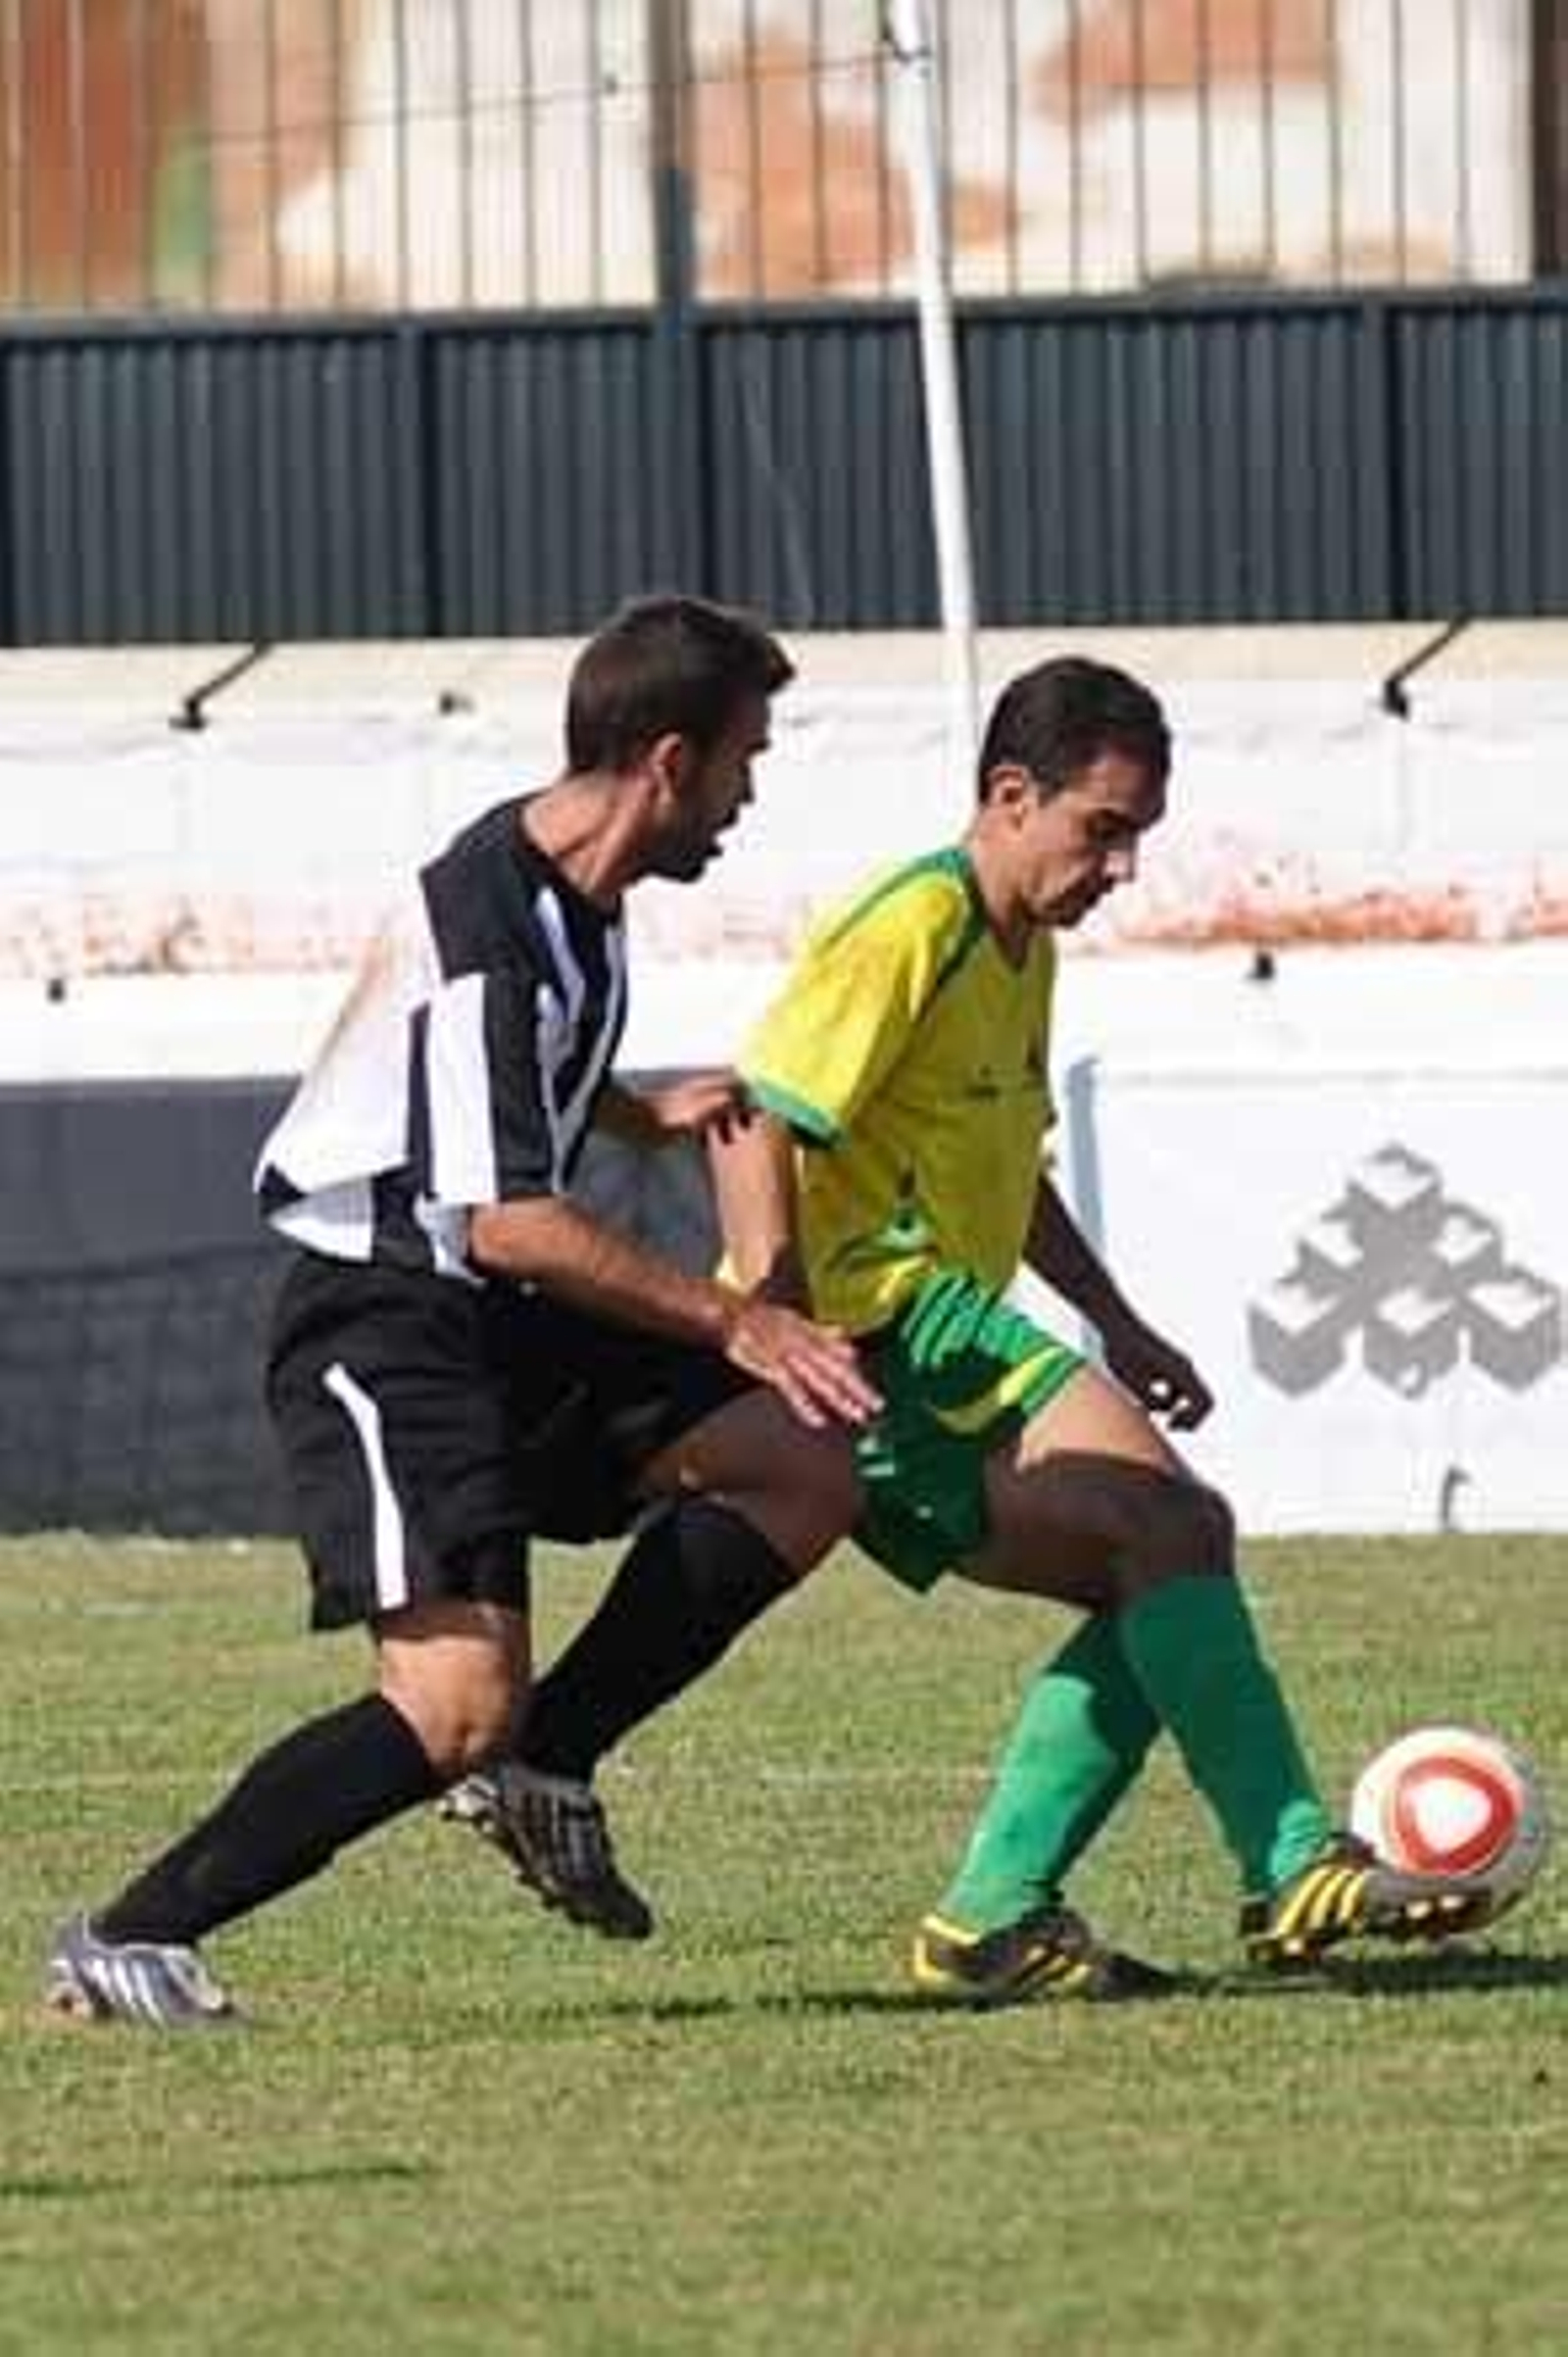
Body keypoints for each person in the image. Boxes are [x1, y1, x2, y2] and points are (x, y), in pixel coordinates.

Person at [450, 653, 1489, 1996]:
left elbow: (1013, 1160)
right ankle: (1286, 1865)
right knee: (1172, 1537)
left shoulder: (1021, 945)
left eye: (1138, 837)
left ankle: (998, 1919)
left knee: (1167, 1555)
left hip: (945, 1326)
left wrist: (1120, 1321)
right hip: (882, 1335)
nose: (1121, 867)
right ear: (1010, 794)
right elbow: (758, 1115)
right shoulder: (912, 927)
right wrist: (775, 1325)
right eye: (1102, 829)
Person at [43, 593, 880, 2029]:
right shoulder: (495, 925)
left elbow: (489, 1084)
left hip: (492, 1307)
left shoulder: (576, 886)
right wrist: (735, 1319)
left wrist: (635, 1110)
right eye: (746, 759)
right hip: (389, 1320)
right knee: (452, 1705)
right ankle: (128, 1937)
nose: (750, 796)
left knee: (801, 1458)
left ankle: (548, 1761)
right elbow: (509, 1217)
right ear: (670, 762)